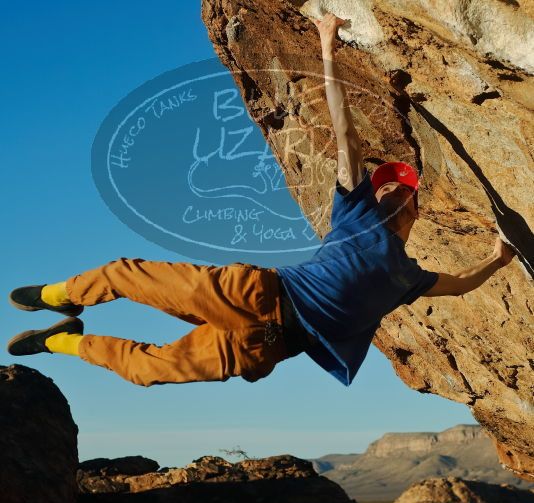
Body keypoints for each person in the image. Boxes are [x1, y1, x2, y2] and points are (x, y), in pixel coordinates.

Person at [6, 13, 516, 387]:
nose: (385, 186)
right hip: (251, 292)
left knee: (147, 370)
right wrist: (326, 51)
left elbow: (461, 285)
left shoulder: (409, 277)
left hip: (264, 346)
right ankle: (58, 295)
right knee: (124, 273)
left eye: (398, 186)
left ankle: (61, 341)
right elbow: (346, 137)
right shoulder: (355, 210)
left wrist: (497, 258)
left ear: (414, 207)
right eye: (383, 181)